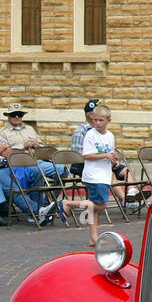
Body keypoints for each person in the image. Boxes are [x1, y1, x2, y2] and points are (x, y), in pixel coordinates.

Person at [56, 104, 120, 248]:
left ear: (108, 120)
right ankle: (69, 203)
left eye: (101, 120)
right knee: (101, 205)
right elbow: (87, 155)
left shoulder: (110, 136)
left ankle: (93, 237)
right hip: (93, 175)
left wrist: (114, 159)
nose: (97, 123)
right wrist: (106, 156)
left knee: (93, 207)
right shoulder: (90, 134)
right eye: (95, 120)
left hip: (104, 173)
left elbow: (110, 152)